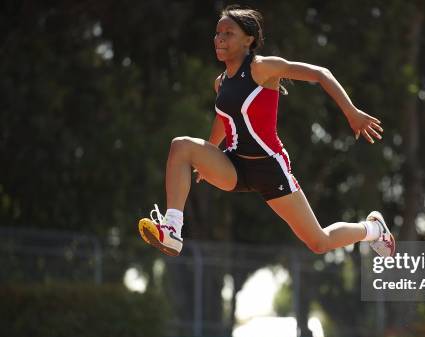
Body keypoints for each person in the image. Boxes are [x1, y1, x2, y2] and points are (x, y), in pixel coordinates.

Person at [138, 5, 395, 258]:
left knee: (319, 242)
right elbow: (224, 118)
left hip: (269, 168)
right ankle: (172, 229)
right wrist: (209, 153)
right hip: (236, 166)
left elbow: (320, 73)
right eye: (218, 33)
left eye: (228, 33)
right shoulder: (221, 82)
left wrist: (352, 112)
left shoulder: (262, 68)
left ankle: (372, 229)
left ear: (248, 40)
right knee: (181, 146)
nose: (219, 38)